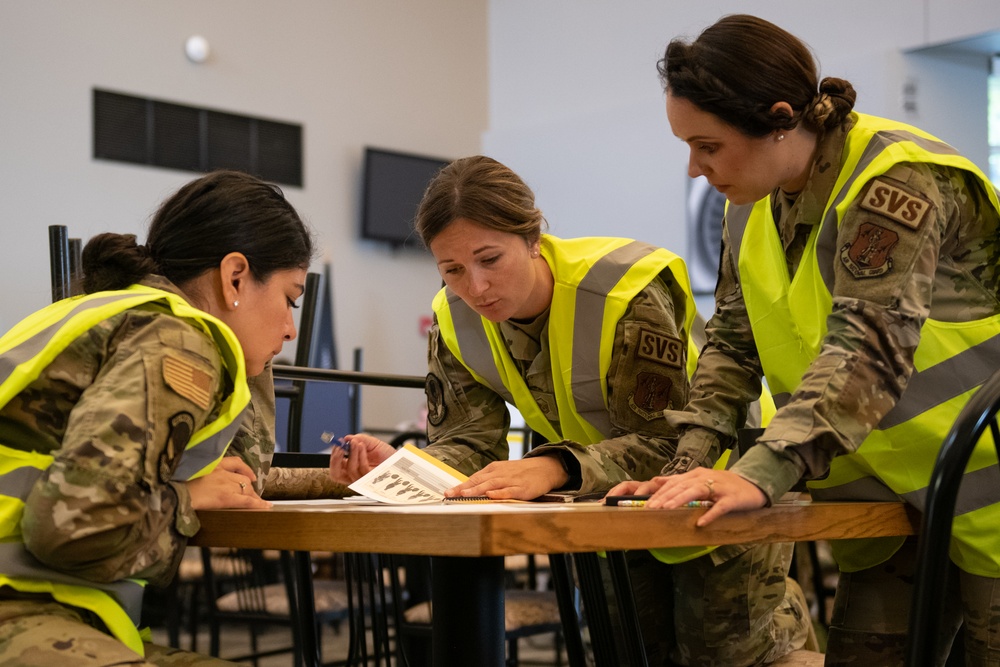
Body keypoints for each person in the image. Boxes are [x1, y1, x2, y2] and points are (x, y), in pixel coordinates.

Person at [609, 14, 1000, 666]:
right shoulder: (748, 207)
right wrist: (687, 470)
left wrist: (760, 475)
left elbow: (868, 351)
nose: (693, 168)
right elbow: (733, 346)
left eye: (708, 145)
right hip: (886, 493)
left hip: (986, 490)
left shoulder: (893, 181)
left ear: (780, 118)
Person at [330, 155, 813, 665]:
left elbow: (670, 440)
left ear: (533, 237)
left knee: (717, 653)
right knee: (631, 650)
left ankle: (783, 613)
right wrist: (407, 466)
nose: (475, 287)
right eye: (452, 269)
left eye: (489, 259)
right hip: (607, 498)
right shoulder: (453, 318)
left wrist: (553, 466)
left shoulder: (623, 290)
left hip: (719, 472)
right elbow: (470, 441)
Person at [0, 169, 315, 666]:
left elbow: (242, 475)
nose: (291, 328)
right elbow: (73, 526)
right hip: (22, 608)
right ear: (235, 277)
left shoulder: (116, 312)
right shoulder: (178, 341)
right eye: (289, 298)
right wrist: (184, 500)